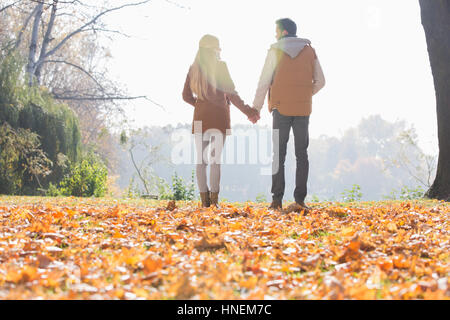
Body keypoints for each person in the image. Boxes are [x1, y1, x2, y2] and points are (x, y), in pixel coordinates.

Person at [249, 18, 325, 211]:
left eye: (276, 31)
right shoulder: (310, 51)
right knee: (302, 154)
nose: (275, 34)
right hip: (303, 109)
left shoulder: (274, 51)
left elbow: (264, 81)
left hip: (280, 109)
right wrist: (305, 94)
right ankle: (300, 200)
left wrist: (255, 108)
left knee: (278, 156)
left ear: (283, 32)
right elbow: (321, 81)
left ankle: (276, 200)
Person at [182, 34, 258, 208]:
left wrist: (200, 104)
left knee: (201, 162)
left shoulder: (193, 68)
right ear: (214, 49)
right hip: (218, 118)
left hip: (200, 119)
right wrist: (249, 111)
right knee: (215, 161)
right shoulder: (220, 66)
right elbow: (231, 92)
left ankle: (204, 202)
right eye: (219, 48)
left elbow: (185, 96)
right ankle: (214, 202)